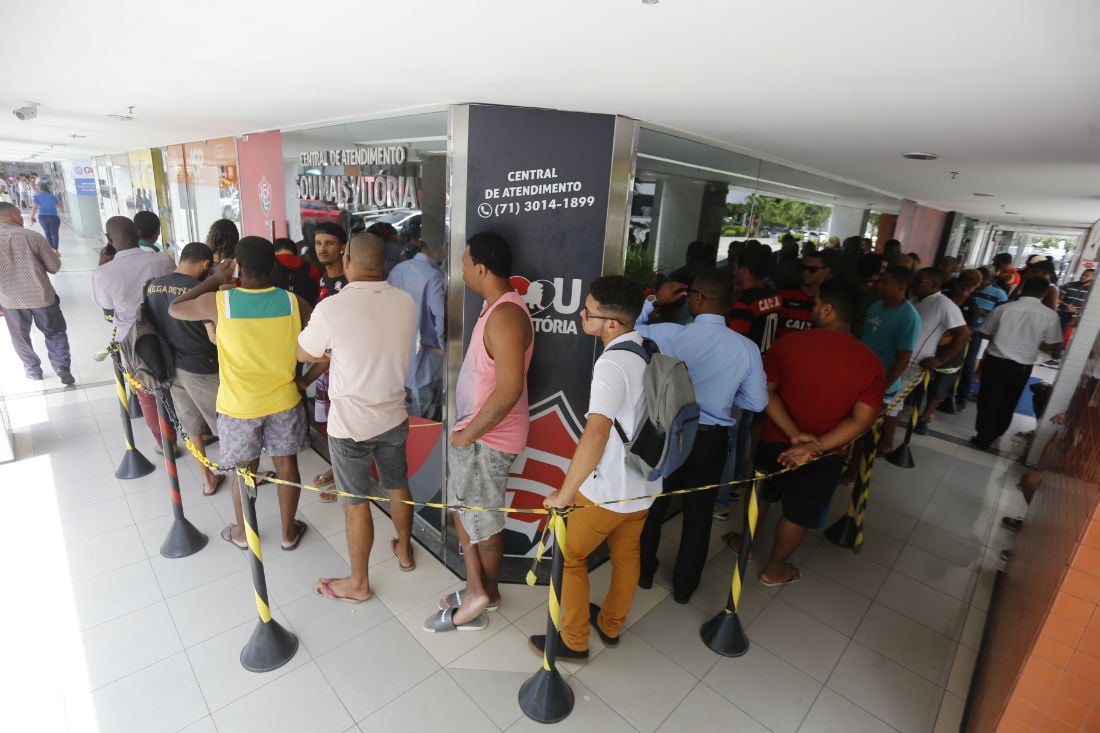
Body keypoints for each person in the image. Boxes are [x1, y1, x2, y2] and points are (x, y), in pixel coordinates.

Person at [528, 276, 659, 661]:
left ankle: (574, 640)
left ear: (612, 325)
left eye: (589, 312)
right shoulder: (647, 348)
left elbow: (596, 434)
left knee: (568, 558)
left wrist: (565, 494)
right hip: (647, 481)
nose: (581, 315)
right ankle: (612, 625)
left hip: (608, 489)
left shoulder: (612, 363)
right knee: (627, 554)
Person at [725, 279, 885, 585]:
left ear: (827, 309)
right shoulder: (870, 362)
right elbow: (862, 419)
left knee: (762, 495)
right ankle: (774, 568)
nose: (812, 307)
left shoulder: (788, 345)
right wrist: (814, 446)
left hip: (775, 441)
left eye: (816, 303)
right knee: (799, 512)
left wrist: (793, 434)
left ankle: (744, 544)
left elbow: (765, 393)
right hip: (825, 454)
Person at [169, 236, 312, 551]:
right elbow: (317, 342)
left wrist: (215, 281)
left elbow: (175, 307)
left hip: (239, 406)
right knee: (287, 467)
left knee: (244, 472)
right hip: (284, 401)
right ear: (273, 265)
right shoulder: (295, 303)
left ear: (237, 267)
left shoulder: (220, 302)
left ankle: (244, 533)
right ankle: (289, 532)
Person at [635, 268, 767, 603]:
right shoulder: (747, 348)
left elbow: (628, 329)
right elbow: (757, 401)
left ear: (696, 298)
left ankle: (644, 573)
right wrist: (722, 399)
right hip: (712, 440)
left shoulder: (671, 335)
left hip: (669, 436)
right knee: (698, 515)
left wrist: (653, 299)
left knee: (654, 506)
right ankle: (684, 588)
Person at [299, 233, 418, 602]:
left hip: (350, 425)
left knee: (355, 503)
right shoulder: (405, 301)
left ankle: (359, 583)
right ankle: (406, 551)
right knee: (397, 484)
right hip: (394, 415)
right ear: (383, 263)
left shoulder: (332, 308)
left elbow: (305, 351)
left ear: (346, 260)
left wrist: (334, 350)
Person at [430, 231, 532, 632]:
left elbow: (508, 390)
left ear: (482, 268)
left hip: (486, 439)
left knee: (480, 520)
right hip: (479, 435)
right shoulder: (495, 308)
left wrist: (468, 434)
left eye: (465, 262)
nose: (462, 270)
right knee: (467, 511)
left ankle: (480, 593)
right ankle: (484, 590)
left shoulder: (506, 314)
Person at [143, 242, 223, 495]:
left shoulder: (153, 285)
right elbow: (214, 336)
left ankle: (207, 479)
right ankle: (245, 474)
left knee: (191, 427)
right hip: (202, 367)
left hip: (170, 365)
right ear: (206, 264)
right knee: (227, 425)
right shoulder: (200, 290)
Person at [93, 216, 175, 448]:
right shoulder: (162, 260)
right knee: (177, 383)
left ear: (109, 239)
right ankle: (192, 431)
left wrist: (103, 264)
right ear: (138, 235)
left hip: (133, 339)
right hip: (168, 329)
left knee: (147, 392)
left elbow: (107, 308)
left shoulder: (102, 273)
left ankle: (165, 443)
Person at [714, 246, 781, 520]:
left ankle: (720, 503)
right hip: (760, 374)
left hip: (738, 378)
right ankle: (736, 486)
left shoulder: (744, 304)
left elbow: (733, 345)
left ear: (742, 269)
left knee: (728, 440)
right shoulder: (773, 296)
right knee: (743, 433)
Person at [970, 276, 1062, 451]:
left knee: (988, 400)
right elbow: (1051, 344)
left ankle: (983, 437)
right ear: (1044, 293)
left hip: (995, 362)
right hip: (1021, 367)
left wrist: (1002, 337)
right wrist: (1034, 342)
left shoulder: (1003, 308)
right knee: (1009, 401)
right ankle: (997, 433)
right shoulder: (1050, 315)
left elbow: (985, 333)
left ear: (1023, 287)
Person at [297, 221, 348, 501]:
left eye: (329, 243)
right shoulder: (323, 279)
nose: (322, 249)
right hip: (327, 367)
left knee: (343, 428)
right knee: (332, 425)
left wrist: (308, 377)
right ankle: (337, 469)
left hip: (339, 368)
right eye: (318, 243)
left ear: (343, 248)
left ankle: (344, 484)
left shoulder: (347, 284)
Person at [0, 202, 73, 384]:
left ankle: (33, 370)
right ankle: (61, 366)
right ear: (15, 216)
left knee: (19, 336)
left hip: (10, 300)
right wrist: (52, 255)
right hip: (42, 297)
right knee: (54, 332)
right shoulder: (32, 237)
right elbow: (54, 267)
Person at [859, 266, 921, 456]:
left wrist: (883, 387)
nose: (879, 286)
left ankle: (855, 471)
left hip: (881, 383)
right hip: (861, 376)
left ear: (901, 287)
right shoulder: (875, 306)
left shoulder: (909, 317)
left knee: (866, 430)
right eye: (879, 281)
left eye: (885, 283)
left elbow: (903, 358)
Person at [388, 235, 446, 420]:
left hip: (398, 362)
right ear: (444, 247)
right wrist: (445, 348)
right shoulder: (434, 276)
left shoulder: (397, 270)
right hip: (426, 363)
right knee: (425, 421)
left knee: (402, 417)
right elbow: (441, 316)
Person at [916, 268, 981, 432]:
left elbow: (967, 332)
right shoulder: (941, 296)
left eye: (968, 290)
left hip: (951, 350)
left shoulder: (972, 307)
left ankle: (925, 416)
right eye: (961, 288)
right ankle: (910, 408)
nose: (963, 293)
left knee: (940, 386)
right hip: (928, 344)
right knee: (917, 381)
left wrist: (948, 339)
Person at [961, 267, 1009, 408]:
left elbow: (1001, 317)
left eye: (980, 282)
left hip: (979, 331)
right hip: (960, 328)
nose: (977, 285)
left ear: (988, 280)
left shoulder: (999, 294)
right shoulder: (969, 288)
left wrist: (981, 312)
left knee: (970, 363)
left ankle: (961, 397)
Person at [777, 251, 829, 339]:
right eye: (803, 268)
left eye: (812, 269)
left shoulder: (828, 300)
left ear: (826, 271)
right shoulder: (783, 293)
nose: (805, 272)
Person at [1048, 268, 1094, 366]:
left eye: (1087, 276)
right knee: (1059, 334)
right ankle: (1055, 358)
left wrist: (1077, 311)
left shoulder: (1093, 292)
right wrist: (1065, 305)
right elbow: (1059, 299)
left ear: (1093, 278)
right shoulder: (1069, 285)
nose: (1083, 276)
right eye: (1083, 274)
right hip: (1065, 313)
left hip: (1081, 316)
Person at [29, 181, 61, 250]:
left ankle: (51, 249)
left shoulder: (36, 196)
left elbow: (34, 207)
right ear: (48, 189)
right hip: (54, 217)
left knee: (47, 233)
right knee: (55, 234)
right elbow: (59, 206)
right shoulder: (53, 196)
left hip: (42, 217)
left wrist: (32, 217)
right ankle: (56, 249)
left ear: (40, 189)